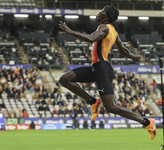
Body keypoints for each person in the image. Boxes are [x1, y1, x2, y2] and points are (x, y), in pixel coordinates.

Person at [59, 5, 156, 140]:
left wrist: (71, 32)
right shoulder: (114, 32)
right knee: (65, 79)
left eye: (102, 11)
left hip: (102, 68)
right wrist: (133, 57)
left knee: (111, 107)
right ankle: (93, 101)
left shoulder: (104, 28)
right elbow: (123, 49)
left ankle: (146, 122)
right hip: (96, 68)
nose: (99, 13)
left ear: (107, 16)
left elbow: (91, 38)